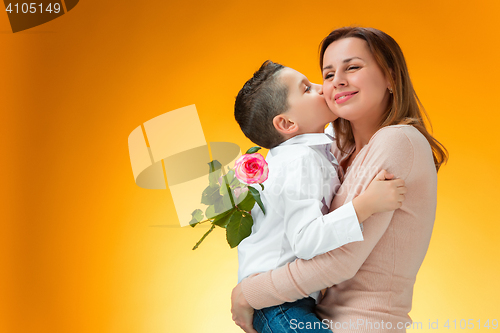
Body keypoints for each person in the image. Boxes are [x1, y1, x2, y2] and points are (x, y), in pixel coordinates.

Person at [231, 27, 448, 333]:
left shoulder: (397, 140)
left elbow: (338, 262)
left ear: (390, 77)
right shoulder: (334, 149)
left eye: (353, 67)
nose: (334, 83)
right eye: (328, 74)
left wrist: (248, 293)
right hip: (313, 317)